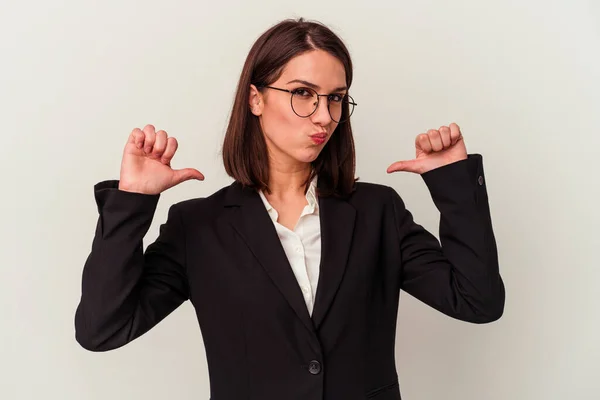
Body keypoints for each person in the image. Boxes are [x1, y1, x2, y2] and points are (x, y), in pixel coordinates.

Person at [74, 17, 505, 400]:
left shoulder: (378, 211)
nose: (324, 116)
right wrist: (133, 202)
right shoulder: (198, 226)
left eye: (336, 98)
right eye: (303, 94)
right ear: (256, 99)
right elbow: (102, 329)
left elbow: (478, 302)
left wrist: (454, 182)